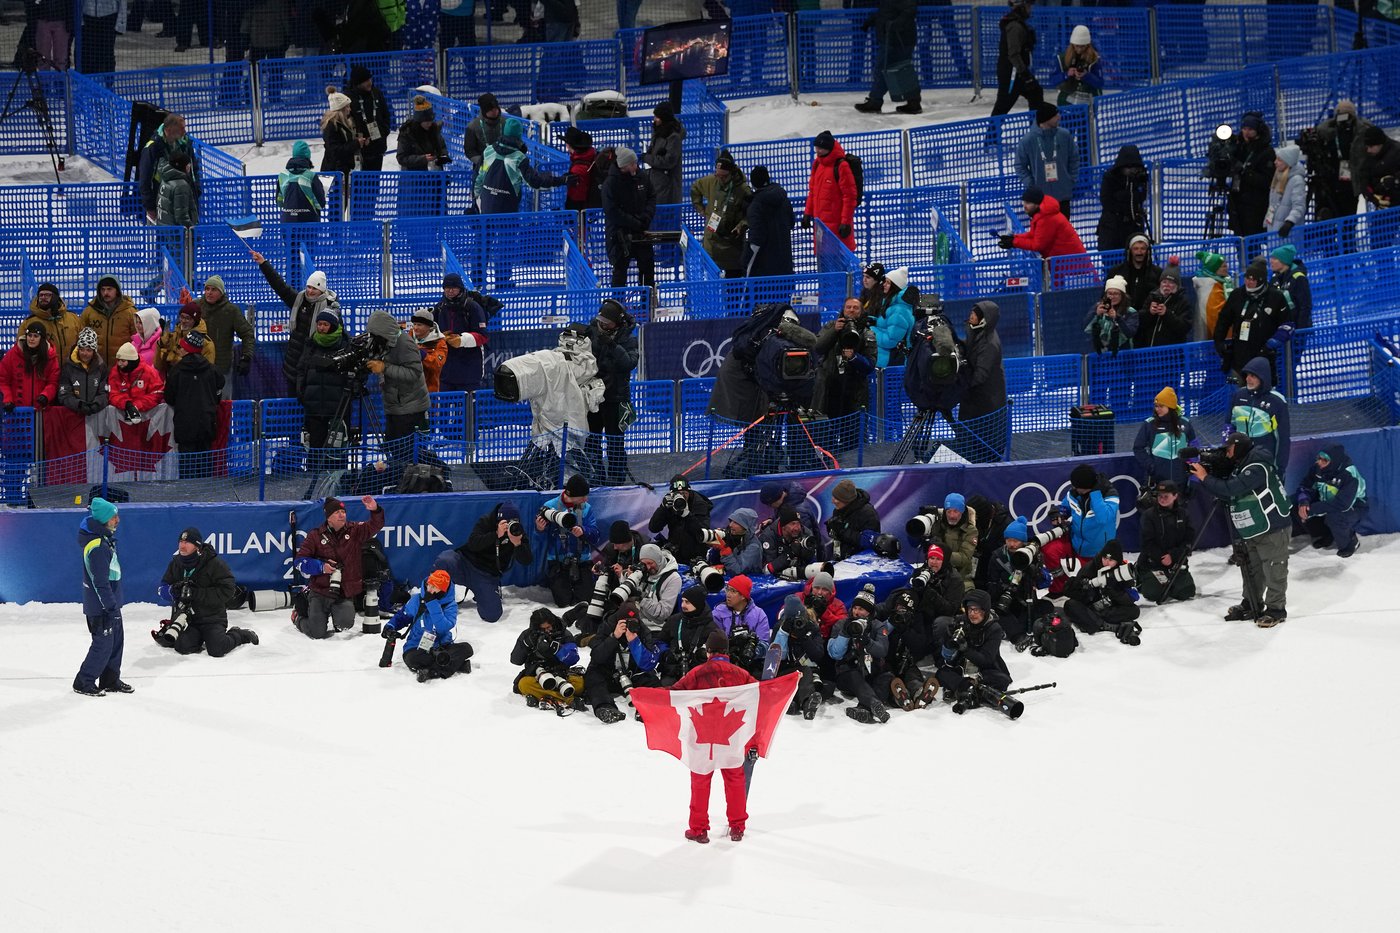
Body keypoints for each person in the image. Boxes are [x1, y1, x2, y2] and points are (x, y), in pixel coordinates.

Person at [1190, 433, 1291, 628]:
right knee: (1252, 569)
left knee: (1273, 569)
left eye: (1229, 449)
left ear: (1239, 448)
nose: (1226, 454)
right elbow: (1224, 492)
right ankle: (1251, 603)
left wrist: (1204, 477)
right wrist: (1210, 477)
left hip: (1272, 525)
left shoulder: (1257, 466)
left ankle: (1276, 609)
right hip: (1253, 526)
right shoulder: (1241, 465)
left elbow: (1232, 489)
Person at [670, 630, 755, 844]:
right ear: (726, 651)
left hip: (702, 737)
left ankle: (698, 829)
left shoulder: (697, 673)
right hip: (731, 737)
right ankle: (737, 827)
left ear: (708, 652)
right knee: (735, 780)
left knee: (700, 782)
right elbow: (761, 692)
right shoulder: (741, 674)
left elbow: (673, 694)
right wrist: (791, 681)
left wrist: (643, 694)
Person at [294, 495, 386, 638]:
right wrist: (321, 567)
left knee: (345, 625)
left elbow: (375, 525)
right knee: (316, 633)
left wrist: (375, 510)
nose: (342, 515)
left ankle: (336, 615)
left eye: (343, 512)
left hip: (343, 592)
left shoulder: (355, 530)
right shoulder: (315, 536)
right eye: (337, 512)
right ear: (329, 517)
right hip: (320, 590)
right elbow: (299, 562)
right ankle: (297, 618)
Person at [156, 528, 258, 656]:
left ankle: (239, 634)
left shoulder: (214, 563)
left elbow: (228, 589)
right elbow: (162, 589)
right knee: (182, 646)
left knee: (217, 649)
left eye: (187, 542)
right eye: (180, 542)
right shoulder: (175, 564)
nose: (182, 545)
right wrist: (174, 591)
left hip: (213, 618)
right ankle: (200, 638)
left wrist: (196, 593)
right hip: (189, 619)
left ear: (197, 546)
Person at [251, 251, 340, 395]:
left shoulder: (330, 308)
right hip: (293, 366)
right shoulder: (299, 300)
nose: (310, 291)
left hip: (313, 369)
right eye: (309, 287)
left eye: (314, 288)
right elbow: (280, 286)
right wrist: (264, 264)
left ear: (322, 290)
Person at [432, 502, 532, 624]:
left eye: (513, 522)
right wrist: (496, 535)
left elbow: (527, 560)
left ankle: (481, 593)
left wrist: (517, 543)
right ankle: (433, 600)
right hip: (465, 563)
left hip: (486, 576)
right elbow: (473, 543)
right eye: (506, 522)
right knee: (444, 561)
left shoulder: (517, 531)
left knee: (492, 615)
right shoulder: (487, 521)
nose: (508, 526)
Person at [74, 497, 131, 697]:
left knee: (115, 642)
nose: (118, 520)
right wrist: (111, 608)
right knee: (103, 645)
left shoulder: (104, 540)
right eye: (114, 517)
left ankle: (110, 679)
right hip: (102, 607)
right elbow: (100, 583)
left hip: (110, 603)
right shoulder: (98, 547)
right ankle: (83, 682)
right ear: (104, 520)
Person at [384, 570, 475, 683]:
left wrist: (432, 604)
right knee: (412, 658)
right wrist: (390, 626)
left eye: (434, 587)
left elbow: (442, 628)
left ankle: (431, 671)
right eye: (429, 585)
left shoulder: (450, 605)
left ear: (442, 590)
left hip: (442, 647)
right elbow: (402, 617)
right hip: (417, 647)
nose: (429, 590)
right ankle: (456, 665)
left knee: (466, 648)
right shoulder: (416, 600)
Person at [585, 299, 640, 486]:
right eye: (600, 320)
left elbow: (628, 363)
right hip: (593, 398)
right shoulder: (591, 332)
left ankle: (616, 479)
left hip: (616, 399)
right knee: (591, 440)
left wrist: (612, 345)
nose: (602, 325)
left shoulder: (629, 339)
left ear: (616, 323)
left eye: (606, 323)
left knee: (615, 442)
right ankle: (596, 476)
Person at [584, 600, 663, 724]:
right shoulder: (607, 626)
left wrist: (635, 642)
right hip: (608, 673)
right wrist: (613, 637)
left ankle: (648, 709)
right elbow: (596, 657)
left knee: (652, 679)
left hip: (633, 674)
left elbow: (648, 663)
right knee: (593, 676)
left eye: (633, 622)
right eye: (625, 622)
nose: (629, 625)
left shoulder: (643, 630)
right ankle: (605, 707)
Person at [1214, 261, 1292, 384]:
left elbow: (1288, 323)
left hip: (1264, 357)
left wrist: (1274, 342)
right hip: (1239, 356)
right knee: (1239, 395)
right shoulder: (1237, 295)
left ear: (1261, 280)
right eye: (1247, 278)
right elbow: (1223, 320)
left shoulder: (1275, 297)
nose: (1248, 282)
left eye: (1253, 279)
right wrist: (1219, 341)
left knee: (1262, 394)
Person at [932, 590, 1012, 709]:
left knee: (1002, 680)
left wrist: (966, 649)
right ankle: (972, 689)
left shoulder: (994, 629)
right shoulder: (960, 622)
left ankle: (961, 688)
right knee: (941, 674)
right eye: (969, 609)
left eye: (976, 610)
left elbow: (987, 660)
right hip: (961, 667)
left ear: (985, 610)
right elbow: (947, 657)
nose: (972, 614)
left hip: (983, 669)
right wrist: (948, 641)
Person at [163, 329, 224, 478]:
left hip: (185, 427)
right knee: (205, 472)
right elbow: (219, 389)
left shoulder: (176, 371)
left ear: (188, 349)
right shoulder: (212, 370)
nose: (179, 349)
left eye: (182, 347)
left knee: (187, 473)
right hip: (206, 425)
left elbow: (169, 397)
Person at [295, 308, 351, 469]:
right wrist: (301, 389)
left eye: (325, 324)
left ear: (333, 326)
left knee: (336, 449)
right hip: (314, 405)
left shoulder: (346, 344)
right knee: (315, 447)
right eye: (319, 324)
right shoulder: (311, 343)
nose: (321, 327)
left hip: (338, 407)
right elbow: (301, 368)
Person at [828, 584, 893, 724]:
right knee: (854, 675)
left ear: (869, 612)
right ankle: (873, 702)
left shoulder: (878, 626)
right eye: (855, 608)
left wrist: (867, 642)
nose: (856, 612)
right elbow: (835, 654)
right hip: (848, 674)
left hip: (871, 672)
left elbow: (882, 650)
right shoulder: (841, 624)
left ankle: (864, 709)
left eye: (861, 609)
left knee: (886, 677)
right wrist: (845, 633)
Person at [364, 310, 429, 448]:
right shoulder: (383, 342)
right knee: (395, 449)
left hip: (410, 407)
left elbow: (414, 373)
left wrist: (384, 368)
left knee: (410, 452)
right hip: (395, 405)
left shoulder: (405, 344)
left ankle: (439, 469)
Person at [475, 116, 565, 212]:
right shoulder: (518, 158)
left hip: (486, 207)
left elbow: (479, 175)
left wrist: (476, 197)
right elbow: (535, 181)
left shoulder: (489, 151)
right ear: (519, 135)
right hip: (508, 210)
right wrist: (560, 180)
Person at [536, 474, 601, 607]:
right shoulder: (549, 507)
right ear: (571, 494)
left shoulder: (586, 508)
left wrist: (584, 531)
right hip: (558, 560)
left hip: (582, 559)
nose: (585, 499)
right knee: (563, 603)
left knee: (585, 602)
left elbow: (595, 535)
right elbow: (539, 540)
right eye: (582, 496)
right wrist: (539, 529)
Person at [1061, 540, 1142, 646]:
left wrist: (1111, 590)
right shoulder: (1090, 567)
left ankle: (1097, 622)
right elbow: (1073, 592)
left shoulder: (1124, 571)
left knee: (1134, 611)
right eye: (1105, 558)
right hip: (1091, 605)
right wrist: (1086, 588)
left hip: (1109, 607)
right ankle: (1102, 623)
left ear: (1118, 561)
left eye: (1111, 559)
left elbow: (1131, 598)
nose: (1107, 562)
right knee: (1070, 605)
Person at [812, 297, 876, 425]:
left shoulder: (867, 333)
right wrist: (834, 331)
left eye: (855, 307)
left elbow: (870, 365)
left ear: (861, 311)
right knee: (826, 437)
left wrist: (854, 358)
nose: (851, 310)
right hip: (828, 391)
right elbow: (818, 347)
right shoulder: (831, 326)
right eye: (848, 307)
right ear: (843, 309)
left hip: (854, 393)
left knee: (852, 438)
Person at [1296, 446, 1367, 559]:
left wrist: (1313, 510)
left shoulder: (1349, 474)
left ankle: (1350, 542)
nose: (1319, 462)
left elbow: (1342, 504)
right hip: (1327, 502)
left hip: (1354, 506)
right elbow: (1305, 486)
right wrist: (1303, 502)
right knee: (1300, 507)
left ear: (1334, 460)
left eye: (1324, 460)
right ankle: (1328, 535)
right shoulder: (1316, 468)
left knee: (1334, 517)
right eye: (1319, 458)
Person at [601, 147, 657, 288]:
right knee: (620, 272)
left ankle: (647, 303)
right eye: (632, 164)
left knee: (647, 269)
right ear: (623, 165)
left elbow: (651, 197)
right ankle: (617, 305)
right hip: (619, 235)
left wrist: (646, 217)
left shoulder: (642, 177)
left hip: (641, 233)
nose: (635, 166)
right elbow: (612, 211)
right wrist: (634, 222)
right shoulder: (611, 184)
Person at [691, 151, 753, 278]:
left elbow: (750, 214)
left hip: (731, 244)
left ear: (732, 173)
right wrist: (700, 208)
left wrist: (741, 225)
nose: (720, 179)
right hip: (712, 241)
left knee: (733, 281)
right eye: (717, 175)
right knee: (711, 278)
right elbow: (695, 187)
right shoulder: (710, 181)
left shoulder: (742, 190)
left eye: (724, 176)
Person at [192, 276, 255, 399]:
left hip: (221, 366)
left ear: (221, 292)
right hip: (198, 364)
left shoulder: (231, 311)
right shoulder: (196, 306)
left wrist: (246, 356)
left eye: (214, 289)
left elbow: (247, 334)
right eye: (207, 289)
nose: (209, 292)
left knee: (223, 405)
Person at [854, 0, 921, 115]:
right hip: (895, 38)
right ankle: (913, 102)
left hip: (897, 38)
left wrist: (895, 25)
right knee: (902, 70)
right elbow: (887, 11)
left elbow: (909, 10)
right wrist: (872, 20)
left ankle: (875, 100)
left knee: (885, 70)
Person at [511, 607, 584, 710]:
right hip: (536, 676)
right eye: (542, 629)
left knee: (580, 684)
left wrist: (559, 650)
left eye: (548, 628)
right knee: (524, 684)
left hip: (561, 674)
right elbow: (515, 660)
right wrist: (526, 644)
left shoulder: (564, 634)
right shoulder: (527, 635)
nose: (547, 632)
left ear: (553, 623)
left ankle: (543, 697)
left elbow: (573, 659)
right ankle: (568, 699)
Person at [1136, 481, 1197, 604]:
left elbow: (1189, 540)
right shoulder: (1149, 515)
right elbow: (1147, 543)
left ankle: (1173, 580)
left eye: (1166, 496)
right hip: (1154, 562)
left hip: (1176, 561)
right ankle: (1142, 577)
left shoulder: (1183, 514)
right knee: (1153, 593)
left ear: (1175, 496)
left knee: (1186, 592)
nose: (1162, 499)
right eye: (1159, 496)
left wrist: (1173, 555)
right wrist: (1161, 557)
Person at [1230, 355, 1292, 475]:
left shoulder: (1277, 401)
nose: (1248, 379)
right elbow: (1230, 426)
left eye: (1253, 376)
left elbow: (1283, 438)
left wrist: (1280, 467)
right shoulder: (1239, 395)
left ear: (1263, 377)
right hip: (1240, 460)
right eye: (1247, 375)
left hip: (1264, 461)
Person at [1312, 100, 1373, 219]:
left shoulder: (1363, 131)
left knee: (1348, 218)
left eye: (1347, 115)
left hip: (1351, 182)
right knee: (1326, 219)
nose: (1343, 120)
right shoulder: (1325, 131)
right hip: (1329, 181)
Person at [1016, 103, 1078, 217]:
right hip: (1040, 199)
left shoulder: (1065, 135)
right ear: (1046, 119)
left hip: (1062, 195)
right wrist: (1031, 184)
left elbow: (1074, 158)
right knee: (1043, 233)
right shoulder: (1028, 140)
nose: (1059, 117)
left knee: (1063, 231)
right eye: (1055, 115)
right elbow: (1020, 166)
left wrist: (1070, 179)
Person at [137, 113, 199, 225]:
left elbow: (194, 168)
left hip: (185, 200)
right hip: (162, 203)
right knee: (166, 238)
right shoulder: (152, 147)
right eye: (181, 128)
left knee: (190, 237)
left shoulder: (185, 143)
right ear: (169, 130)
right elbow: (144, 180)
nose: (184, 132)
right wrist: (150, 207)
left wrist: (196, 190)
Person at [432, 273, 490, 393]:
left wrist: (462, 340)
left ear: (460, 288)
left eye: (453, 288)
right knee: (445, 408)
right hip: (446, 371)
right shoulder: (439, 307)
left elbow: (483, 336)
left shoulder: (473, 307)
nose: (450, 291)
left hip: (469, 371)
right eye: (447, 288)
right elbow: (432, 332)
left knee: (468, 409)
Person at [802, 131, 858, 252]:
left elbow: (849, 196)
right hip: (821, 226)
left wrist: (846, 222)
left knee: (841, 261)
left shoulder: (841, 166)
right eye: (817, 148)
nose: (818, 151)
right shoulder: (817, 164)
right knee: (824, 260)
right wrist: (807, 213)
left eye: (821, 148)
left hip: (837, 227)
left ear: (829, 148)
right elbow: (812, 192)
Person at [1133, 387, 1197, 491]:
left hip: (1180, 481)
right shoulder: (1149, 424)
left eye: (1161, 406)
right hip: (1159, 482)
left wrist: (1194, 478)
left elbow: (1194, 448)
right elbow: (1138, 448)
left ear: (1170, 407)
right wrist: (1151, 466)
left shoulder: (1185, 423)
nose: (1157, 409)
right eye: (1156, 406)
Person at [998, 187, 1086, 261]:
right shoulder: (1041, 214)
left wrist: (1014, 242)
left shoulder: (1046, 218)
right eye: (1024, 202)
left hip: (1072, 265)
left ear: (1037, 204)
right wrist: (1014, 238)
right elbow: (1034, 235)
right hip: (1064, 262)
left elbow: (1037, 245)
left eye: (1028, 203)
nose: (1024, 206)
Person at [959, 300, 1007, 434]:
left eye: (975, 314)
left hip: (987, 400)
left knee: (984, 435)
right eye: (971, 312)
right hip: (975, 397)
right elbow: (970, 348)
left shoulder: (989, 343)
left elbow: (981, 374)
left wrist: (961, 385)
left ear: (984, 319)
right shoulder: (977, 332)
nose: (971, 316)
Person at [1225, 112, 1276, 237]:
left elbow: (1266, 181)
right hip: (1237, 203)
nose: (1246, 132)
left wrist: (1244, 172)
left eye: (1250, 129)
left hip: (1255, 206)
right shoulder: (1239, 147)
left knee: (1252, 241)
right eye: (1244, 129)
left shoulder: (1266, 152)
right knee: (1239, 239)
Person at [659, 585, 721, 685]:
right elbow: (660, 641)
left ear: (697, 604)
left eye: (687, 602)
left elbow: (719, 655)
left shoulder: (711, 627)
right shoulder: (674, 620)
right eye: (682, 601)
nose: (683, 605)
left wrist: (704, 656)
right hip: (672, 673)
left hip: (700, 675)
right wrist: (666, 654)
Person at [648, 474, 716, 565]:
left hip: (696, 554)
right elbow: (653, 528)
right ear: (672, 493)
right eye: (678, 494)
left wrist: (687, 515)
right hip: (675, 553)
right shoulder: (670, 503)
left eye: (684, 493)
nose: (682, 496)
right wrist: (662, 508)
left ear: (689, 491)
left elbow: (702, 532)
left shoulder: (699, 504)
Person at [991, 0, 1042, 117]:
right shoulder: (1015, 26)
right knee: (1003, 106)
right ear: (1021, 7)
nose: (1031, 9)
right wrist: (1024, 74)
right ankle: (992, 135)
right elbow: (1013, 53)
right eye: (1029, 6)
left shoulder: (1020, 24)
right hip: (1012, 74)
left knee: (1036, 92)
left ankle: (1035, 130)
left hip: (1017, 72)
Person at [744, 165, 795, 278]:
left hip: (763, 270)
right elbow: (791, 222)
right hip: (785, 264)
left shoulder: (755, 205)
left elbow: (756, 238)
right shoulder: (783, 199)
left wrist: (746, 262)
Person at [77, 275, 139, 369]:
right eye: (102, 289)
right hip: (95, 366)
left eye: (109, 289)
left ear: (117, 291)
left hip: (122, 365)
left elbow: (137, 338)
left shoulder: (130, 312)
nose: (105, 293)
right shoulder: (89, 312)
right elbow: (80, 336)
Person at [1062, 464, 1120, 561]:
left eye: (1076, 486)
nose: (1073, 488)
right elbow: (1064, 508)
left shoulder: (1110, 495)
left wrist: (1095, 493)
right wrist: (1058, 513)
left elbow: (1103, 518)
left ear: (1084, 486)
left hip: (1100, 554)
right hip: (1076, 547)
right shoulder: (1074, 493)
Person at [1096, 144, 1148, 251]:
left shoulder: (1140, 178)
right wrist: (1125, 199)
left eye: (1135, 167)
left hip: (1134, 224)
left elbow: (1141, 197)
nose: (1132, 170)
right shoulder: (1110, 177)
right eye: (1128, 167)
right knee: (1111, 259)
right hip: (1112, 226)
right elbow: (1106, 200)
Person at [0, 322, 58, 414]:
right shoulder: (12, 355)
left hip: (41, 411)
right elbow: (2, 380)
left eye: (35, 336)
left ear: (42, 339)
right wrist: (7, 399)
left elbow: (53, 382)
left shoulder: (50, 358)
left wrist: (46, 395)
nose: (31, 339)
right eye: (29, 335)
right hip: (16, 411)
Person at [924, 494, 978, 591]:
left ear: (962, 512)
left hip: (962, 578)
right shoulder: (937, 525)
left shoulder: (970, 531)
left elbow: (964, 558)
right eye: (949, 511)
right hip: (936, 574)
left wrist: (940, 553)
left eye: (956, 511)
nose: (952, 516)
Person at [1137, 259, 1194, 348]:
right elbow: (1140, 322)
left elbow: (1184, 328)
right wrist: (1149, 313)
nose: (1166, 285)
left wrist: (1166, 314)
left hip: (1173, 353)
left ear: (1177, 286)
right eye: (1164, 282)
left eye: (1171, 283)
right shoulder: (1152, 297)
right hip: (1149, 350)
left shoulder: (1183, 301)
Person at [347, 65, 393, 171]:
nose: (369, 82)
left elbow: (386, 115)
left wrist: (383, 132)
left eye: (370, 79)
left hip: (377, 147)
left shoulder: (376, 93)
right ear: (358, 83)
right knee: (359, 184)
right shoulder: (348, 98)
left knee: (374, 182)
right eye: (366, 80)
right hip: (359, 150)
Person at [710, 575, 771, 654]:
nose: (728, 594)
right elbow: (713, 642)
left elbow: (764, 644)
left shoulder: (759, 615)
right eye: (727, 589)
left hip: (751, 663)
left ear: (743, 596)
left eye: (733, 591)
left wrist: (753, 652)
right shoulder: (718, 612)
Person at [57, 328, 109, 418]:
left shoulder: (101, 367)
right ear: (78, 349)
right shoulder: (68, 367)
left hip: (97, 416)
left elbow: (104, 393)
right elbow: (64, 393)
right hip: (73, 416)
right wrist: (79, 405)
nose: (85, 353)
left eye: (89, 350)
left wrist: (96, 404)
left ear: (94, 351)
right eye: (82, 350)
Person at [108, 342, 164, 427]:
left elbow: (157, 393)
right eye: (118, 360)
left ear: (131, 361)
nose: (119, 364)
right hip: (120, 421)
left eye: (123, 361)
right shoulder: (115, 372)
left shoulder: (149, 372)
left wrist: (136, 405)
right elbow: (113, 393)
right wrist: (126, 404)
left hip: (146, 421)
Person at [756, 506, 819, 581]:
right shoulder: (768, 536)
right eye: (793, 524)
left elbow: (813, 563)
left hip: (800, 575)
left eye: (799, 523)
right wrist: (790, 553)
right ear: (783, 527)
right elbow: (767, 570)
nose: (797, 528)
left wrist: (806, 554)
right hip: (775, 581)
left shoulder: (806, 533)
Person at [20, 284, 78, 364]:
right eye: (41, 295)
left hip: (71, 371)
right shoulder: (29, 322)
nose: (43, 297)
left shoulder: (73, 318)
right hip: (44, 371)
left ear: (55, 297)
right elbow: (20, 347)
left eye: (48, 295)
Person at [826, 479, 881, 562]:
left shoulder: (868, 513)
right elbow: (838, 535)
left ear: (847, 501)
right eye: (833, 496)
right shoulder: (839, 509)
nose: (832, 501)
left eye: (836, 499)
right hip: (842, 559)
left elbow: (869, 541)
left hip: (862, 562)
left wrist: (842, 531)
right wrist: (832, 529)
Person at [911, 544, 965, 628]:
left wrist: (930, 593)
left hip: (940, 620)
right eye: (932, 558)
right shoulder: (920, 573)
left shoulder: (955, 580)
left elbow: (950, 610)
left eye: (938, 559)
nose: (934, 562)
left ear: (945, 561)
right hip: (920, 615)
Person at [871, 268, 916, 368]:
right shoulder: (892, 304)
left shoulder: (899, 311)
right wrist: (871, 321)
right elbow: (886, 326)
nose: (884, 285)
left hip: (890, 361)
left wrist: (870, 332)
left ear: (895, 287)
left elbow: (890, 341)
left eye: (888, 283)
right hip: (887, 358)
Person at [1084, 274, 1138, 356]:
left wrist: (1117, 318)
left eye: (1116, 294)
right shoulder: (1098, 307)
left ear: (1122, 296)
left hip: (1123, 354)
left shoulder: (1130, 312)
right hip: (1100, 354)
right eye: (1109, 293)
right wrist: (1096, 314)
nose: (1112, 297)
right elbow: (1085, 327)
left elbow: (1130, 333)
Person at [1107, 234, 1162, 314]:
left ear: (1148, 251)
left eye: (1143, 249)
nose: (1139, 252)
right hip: (1122, 317)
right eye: (1135, 249)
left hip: (1149, 318)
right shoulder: (1116, 271)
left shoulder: (1157, 273)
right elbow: (1105, 297)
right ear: (1130, 251)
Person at [1051, 24, 1103, 106]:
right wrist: (1066, 74)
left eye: (1082, 47)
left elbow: (1100, 83)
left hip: (1089, 98)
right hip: (1067, 98)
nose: (1079, 49)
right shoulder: (1061, 58)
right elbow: (1053, 80)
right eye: (1077, 46)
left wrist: (1086, 76)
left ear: (1087, 45)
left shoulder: (1095, 59)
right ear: (1072, 45)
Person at [155, 303, 215, 375]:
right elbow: (159, 366)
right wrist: (160, 345)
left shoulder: (206, 343)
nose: (183, 321)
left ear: (195, 320)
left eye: (188, 318)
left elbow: (206, 373)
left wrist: (178, 361)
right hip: (173, 381)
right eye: (182, 317)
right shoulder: (173, 336)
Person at [645, 102, 686, 206]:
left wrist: (648, 158)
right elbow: (653, 149)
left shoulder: (673, 137)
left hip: (667, 185)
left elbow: (669, 161)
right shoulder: (659, 131)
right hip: (657, 181)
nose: (654, 120)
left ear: (664, 118)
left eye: (657, 117)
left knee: (665, 215)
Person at [396, 96, 451, 173]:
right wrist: (422, 159)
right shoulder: (407, 133)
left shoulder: (434, 129)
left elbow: (441, 146)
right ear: (419, 121)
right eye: (426, 122)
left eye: (431, 121)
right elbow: (402, 158)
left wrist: (443, 156)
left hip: (434, 175)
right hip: (413, 177)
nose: (429, 124)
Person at [278, 141, 326, 223]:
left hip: (288, 223)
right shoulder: (311, 176)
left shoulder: (283, 175)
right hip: (309, 225)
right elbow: (320, 203)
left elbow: (279, 201)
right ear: (308, 157)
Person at [1191, 250, 1234, 343]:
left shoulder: (1221, 282)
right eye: (1223, 266)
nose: (1227, 268)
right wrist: (1231, 338)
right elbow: (1216, 320)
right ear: (1214, 269)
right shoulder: (1211, 289)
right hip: (1217, 342)